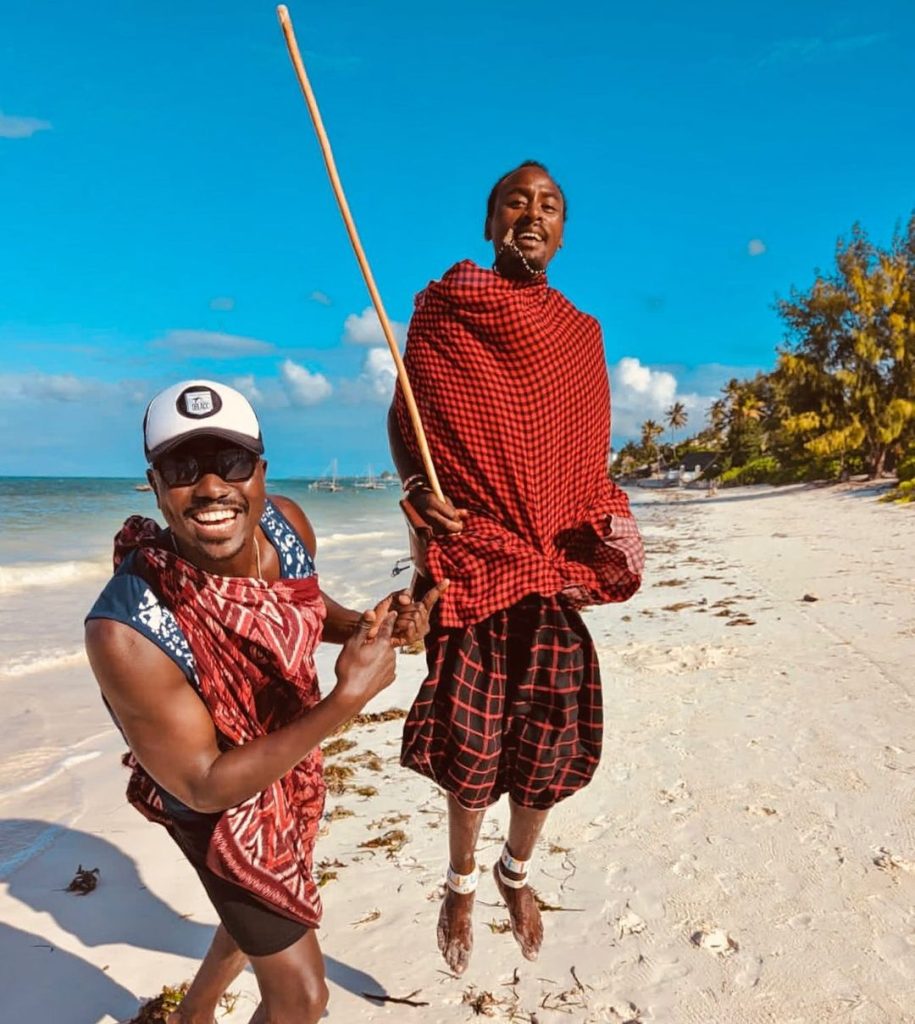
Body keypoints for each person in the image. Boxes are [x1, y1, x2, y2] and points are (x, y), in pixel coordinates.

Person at [86, 379, 443, 1024]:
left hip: (283, 759)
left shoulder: (285, 525)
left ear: (261, 473)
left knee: (254, 915)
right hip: (213, 805)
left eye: (232, 463)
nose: (211, 487)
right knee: (302, 996)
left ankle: (190, 1017)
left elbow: (305, 608)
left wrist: (369, 623)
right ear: (155, 485)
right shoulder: (126, 627)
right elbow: (203, 784)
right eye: (183, 468)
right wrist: (345, 699)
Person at [388, 161, 644, 974]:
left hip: (550, 571)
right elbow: (407, 417)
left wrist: (595, 527)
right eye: (515, 201)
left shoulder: (580, 334)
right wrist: (415, 489)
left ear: (563, 232)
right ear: (489, 221)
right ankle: (461, 881)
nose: (532, 215)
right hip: (473, 568)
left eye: (550, 206)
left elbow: (579, 457)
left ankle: (515, 872)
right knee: (469, 754)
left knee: (546, 753)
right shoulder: (442, 311)